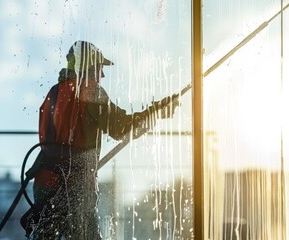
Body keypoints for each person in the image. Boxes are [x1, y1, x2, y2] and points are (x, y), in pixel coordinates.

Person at [21, 40, 179, 239]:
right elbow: (121, 128)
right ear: (87, 67)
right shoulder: (89, 91)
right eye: (98, 68)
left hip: (44, 185)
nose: (102, 75)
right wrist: (156, 112)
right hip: (73, 189)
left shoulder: (53, 93)